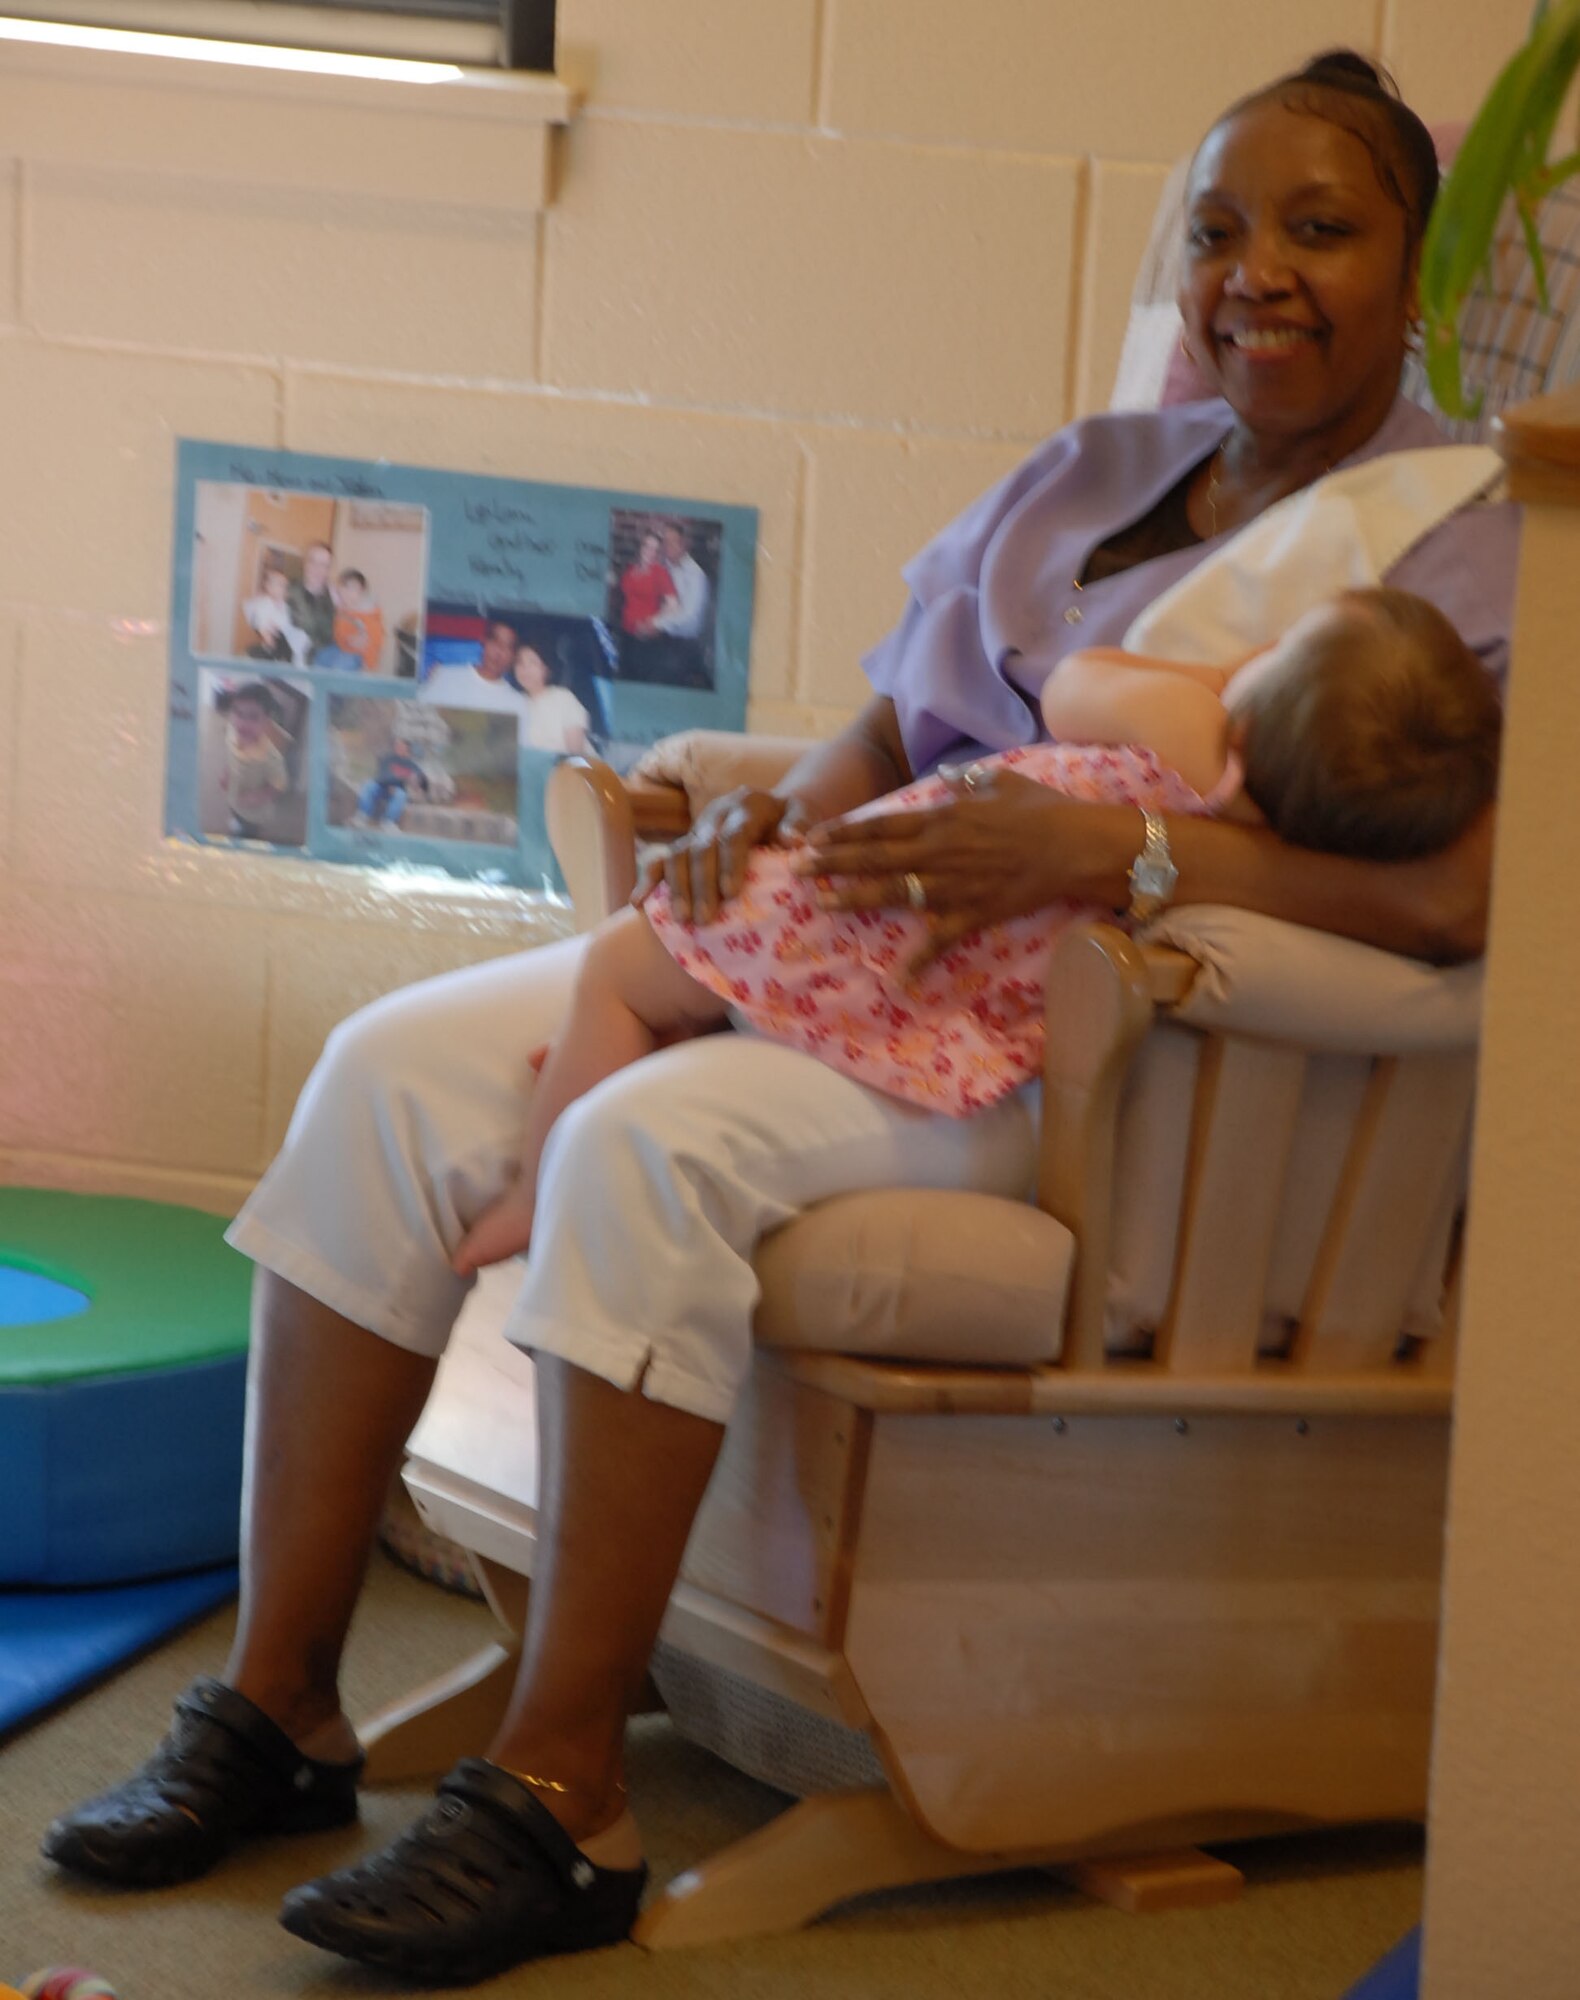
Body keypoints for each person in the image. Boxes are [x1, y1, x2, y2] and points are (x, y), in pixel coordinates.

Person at [43, 50, 1521, 1987]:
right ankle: (284, 1705)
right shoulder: (1091, 471)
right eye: (1220, 229)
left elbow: (1459, 894)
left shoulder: (1486, 534)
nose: (1256, 271)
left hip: (1113, 1055)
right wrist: (776, 819)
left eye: (1318, 228)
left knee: (649, 1137)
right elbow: (899, 730)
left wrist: (1119, 866)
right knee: (386, 1070)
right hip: (872, 937)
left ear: (1413, 264)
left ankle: (561, 1790)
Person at [451, 588, 1501, 1275]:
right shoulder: (1276, 824)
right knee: (719, 1002)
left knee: (621, 965)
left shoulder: (1192, 735)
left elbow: (1080, 678)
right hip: (954, 994)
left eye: (1286, 646)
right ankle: (660, 1043)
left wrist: (1210, 677)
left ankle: (535, 1191)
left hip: (859, 916)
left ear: (1258, 708)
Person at [217, 681, 292, 841]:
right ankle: (236, 820)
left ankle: (247, 833)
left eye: (253, 717)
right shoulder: (231, 734)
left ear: (266, 721)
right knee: (234, 810)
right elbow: (231, 756)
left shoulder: (270, 756)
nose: (243, 723)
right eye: (238, 713)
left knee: (248, 831)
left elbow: (279, 784)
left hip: (254, 811)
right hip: (235, 793)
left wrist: (259, 796)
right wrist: (226, 772)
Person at [647, 521, 712, 683]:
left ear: (683, 544)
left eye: (672, 542)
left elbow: (690, 617)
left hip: (684, 647)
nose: (667, 546)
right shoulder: (664, 568)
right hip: (661, 641)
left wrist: (658, 624)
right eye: (665, 542)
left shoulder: (696, 575)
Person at [513, 641, 591, 754]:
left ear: (546, 669)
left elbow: (576, 754)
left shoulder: (563, 698)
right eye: (520, 662)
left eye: (532, 662)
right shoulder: (514, 702)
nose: (525, 669)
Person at [315, 569, 385, 675]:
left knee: (340, 667)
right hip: (341, 647)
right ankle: (314, 687)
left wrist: (367, 664)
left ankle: (334, 689)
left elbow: (375, 642)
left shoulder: (368, 614)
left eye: (352, 589)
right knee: (320, 657)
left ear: (362, 592)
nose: (346, 592)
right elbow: (337, 634)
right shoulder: (342, 610)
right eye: (344, 587)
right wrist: (344, 640)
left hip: (358, 655)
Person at [351, 737, 430, 830]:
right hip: (381, 786)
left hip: (397, 790)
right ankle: (362, 816)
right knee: (369, 785)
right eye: (397, 746)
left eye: (401, 746)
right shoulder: (388, 759)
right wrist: (399, 781)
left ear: (407, 749)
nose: (398, 748)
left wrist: (418, 786)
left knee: (401, 795)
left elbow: (422, 781)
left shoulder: (412, 765)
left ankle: (388, 822)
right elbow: (384, 775)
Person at [241, 564, 309, 667]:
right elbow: (261, 623)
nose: (283, 588)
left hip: (293, 640)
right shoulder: (263, 604)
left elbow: (294, 621)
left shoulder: (286, 604)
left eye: (285, 585)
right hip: (277, 642)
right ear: (268, 587)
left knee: (298, 652)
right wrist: (267, 638)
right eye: (279, 584)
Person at [618, 528, 677, 638]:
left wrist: (651, 623)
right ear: (641, 547)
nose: (650, 552)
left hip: (645, 636)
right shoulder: (630, 570)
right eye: (647, 546)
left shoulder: (659, 573)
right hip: (625, 631)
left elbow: (673, 605)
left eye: (655, 549)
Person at [288, 542, 338, 665]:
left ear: (329, 569)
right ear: (304, 563)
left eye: (324, 565)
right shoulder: (287, 592)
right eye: (312, 562)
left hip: (324, 665)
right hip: (291, 664)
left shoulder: (336, 597)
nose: (317, 569)